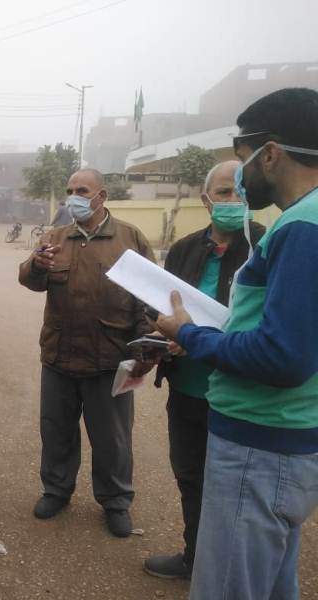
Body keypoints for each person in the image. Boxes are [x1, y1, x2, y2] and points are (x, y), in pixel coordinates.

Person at [154, 88, 318, 600]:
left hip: (260, 446)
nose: (241, 179)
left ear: (270, 154)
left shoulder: (301, 227)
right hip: (280, 440)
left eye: (242, 158)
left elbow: (283, 356)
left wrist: (189, 334)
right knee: (269, 585)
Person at [143, 161, 265, 580]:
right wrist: (162, 336)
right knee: (191, 477)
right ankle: (195, 558)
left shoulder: (266, 247)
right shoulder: (183, 249)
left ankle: (232, 574)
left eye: (241, 192)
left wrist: (196, 335)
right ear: (206, 200)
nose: (234, 200)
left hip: (240, 395)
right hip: (188, 390)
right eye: (225, 192)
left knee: (238, 490)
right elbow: (160, 307)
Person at [19, 168, 156, 538]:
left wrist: (144, 350)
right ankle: (56, 490)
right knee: (57, 431)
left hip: (109, 360)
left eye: (82, 190)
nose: (73, 197)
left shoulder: (129, 239)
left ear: (102, 196)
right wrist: (35, 265)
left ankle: (116, 501)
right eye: (69, 190)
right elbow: (30, 280)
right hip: (59, 357)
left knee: (113, 439)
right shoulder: (55, 237)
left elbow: (149, 300)